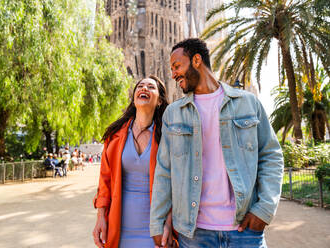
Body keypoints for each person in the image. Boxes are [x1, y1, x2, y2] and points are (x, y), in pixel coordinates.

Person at [150, 38, 284, 248]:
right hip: (194, 234)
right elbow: (164, 171)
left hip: (244, 232)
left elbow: (271, 155)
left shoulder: (247, 103)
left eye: (177, 66)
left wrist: (265, 209)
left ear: (196, 60)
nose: (173, 74)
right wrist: (157, 224)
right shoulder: (173, 114)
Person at [93, 76, 173, 248]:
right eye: (140, 86)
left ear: (159, 100)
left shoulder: (168, 137)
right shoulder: (115, 135)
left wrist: (169, 223)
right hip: (119, 228)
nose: (144, 88)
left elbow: (176, 184)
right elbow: (105, 181)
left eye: (150, 87)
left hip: (155, 230)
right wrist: (100, 217)